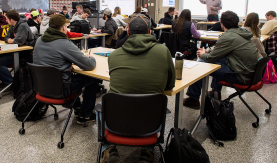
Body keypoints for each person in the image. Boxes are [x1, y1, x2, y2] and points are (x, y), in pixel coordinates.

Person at [100, 15, 175, 163]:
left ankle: (108, 148)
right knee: (151, 103)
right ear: (150, 33)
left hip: (117, 120)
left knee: (104, 106)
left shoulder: (114, 56)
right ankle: (148, 150)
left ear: (128, 32)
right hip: (150, 121)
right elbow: (169, 85)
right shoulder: (163, 51)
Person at [183, 11, 258, 109]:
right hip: (249, 72)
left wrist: (203, 54)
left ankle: (193, 98)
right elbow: (221, 49)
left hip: (239, 75)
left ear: (222, 24)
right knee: (220, 59)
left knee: (202, 64)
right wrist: (208, 50)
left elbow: (210, 58)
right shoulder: (242, 32)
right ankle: (215, 91)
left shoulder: (228, 36)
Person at [33, 14, 99, 124]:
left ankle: (77, 107)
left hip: (41, 87)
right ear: (64, 27)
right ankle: (85, 114)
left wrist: (65, 65)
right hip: (60, 90)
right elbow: (89, 65)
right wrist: (91, 58)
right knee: (92, 78)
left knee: (70, 77)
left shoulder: (39, 40)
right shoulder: (64, 44)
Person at [0, 10, 35, 88]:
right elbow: (6, 38)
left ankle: (10, 83)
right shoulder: (12, 26)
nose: (5, 20)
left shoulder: (22, 25)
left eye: (7, 18)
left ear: (12, 19)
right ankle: (6, 80)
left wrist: (12, 40)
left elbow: (19, 42)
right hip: (14, 50)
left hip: (23, 54)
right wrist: (11, 40)